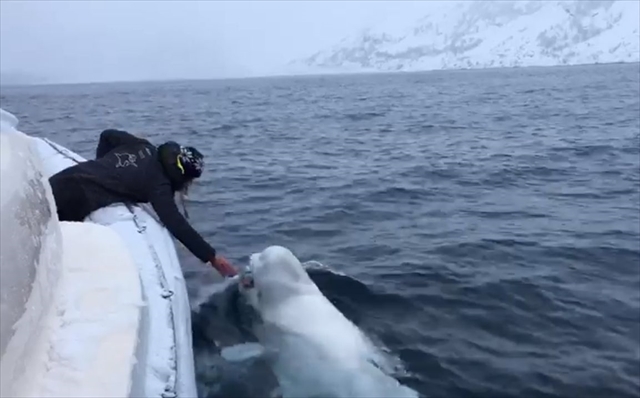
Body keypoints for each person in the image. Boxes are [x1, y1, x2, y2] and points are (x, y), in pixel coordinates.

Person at [48, 128, 238, 278]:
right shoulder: (159, 185)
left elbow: (107, 135)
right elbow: (176, 224)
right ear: (183, 176)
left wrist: (103, 165)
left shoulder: (143, 146)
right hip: (73, 199)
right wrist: (212, 257)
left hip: (59, 181)